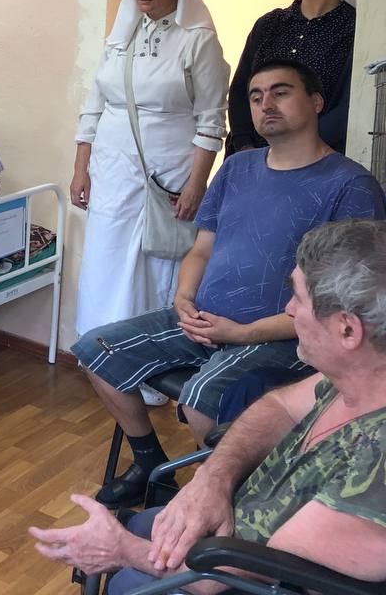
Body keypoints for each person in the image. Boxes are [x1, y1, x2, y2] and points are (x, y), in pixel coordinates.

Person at [72, 60, 384, 508]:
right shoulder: (237, 168)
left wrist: (243, 333)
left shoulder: (350, 185)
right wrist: (182, 297)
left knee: (202, 399)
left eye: (280, 92)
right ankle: (149, 465)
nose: (266, 104)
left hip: (280, 336)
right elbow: (201, 249)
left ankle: (224, 499)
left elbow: (339, 304)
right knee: (95, 350)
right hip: (203, 319)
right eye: (256, 97)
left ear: (316, 102)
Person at [31, 219, 386, 593]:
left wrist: (121, 550)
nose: (289, 309)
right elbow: (280, 404)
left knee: (128, 579)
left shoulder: (376, 468)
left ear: (348, 330)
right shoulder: (359, 377)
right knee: (143, 524)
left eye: (299, 298)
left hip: (247, 575)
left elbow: (235, 574)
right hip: (240, 529)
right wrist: (214, 477)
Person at [72, 0, 229, 400]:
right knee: (106, 260)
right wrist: (81, 167)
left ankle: (149, 372)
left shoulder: (198, 40)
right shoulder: (121, 35)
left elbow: (210, 120)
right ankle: (101, 356)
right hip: (111, 170)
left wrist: (197, 184)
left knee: (155, 265)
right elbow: (93, 106)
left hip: (167, 172)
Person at [226, 0, 361, 155]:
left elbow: (348, 104)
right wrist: (244, 145)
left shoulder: (354, 29)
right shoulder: (270, 23)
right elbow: (240, 89)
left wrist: (297, 152)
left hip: (317, 160)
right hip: (251, 155)